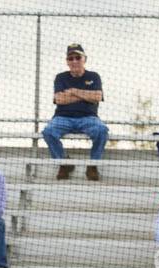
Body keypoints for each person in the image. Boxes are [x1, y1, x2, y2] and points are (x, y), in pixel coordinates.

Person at [42, 43, 108, 180]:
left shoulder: (94, 76)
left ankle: (93, 165)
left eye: (78, 57)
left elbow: (97, 97)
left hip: (88, 117)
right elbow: (59, 99)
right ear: (67, 61)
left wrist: (73, 91)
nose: (74, 61)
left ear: (85, 59)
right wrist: (86, 95)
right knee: (48, 131)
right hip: (63, 117)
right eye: (70, 58)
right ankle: (64, 163)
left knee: (101, 130)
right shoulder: (61, 77)